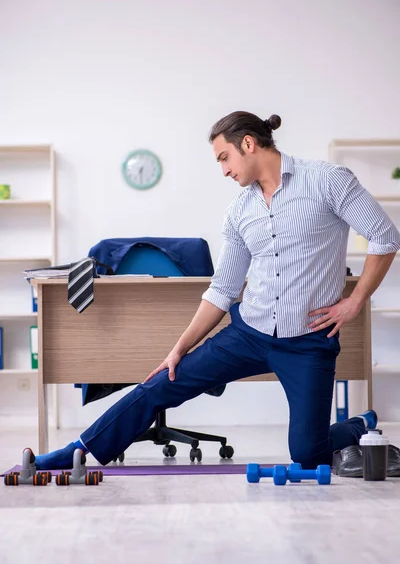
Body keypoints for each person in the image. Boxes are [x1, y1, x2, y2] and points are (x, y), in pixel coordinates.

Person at [34, 111, 400, 471]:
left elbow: (385, 236)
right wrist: (178, 350)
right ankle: (77, 451)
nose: (224, 170)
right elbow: (223, 288)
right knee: (158, 384)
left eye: (224, 157)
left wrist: (354, 302)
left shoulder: (327, 180)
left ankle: (359, 425)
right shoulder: (239, 210)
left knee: (307, 455)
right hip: (248, 333)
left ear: (248, 143)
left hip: (308, 341)